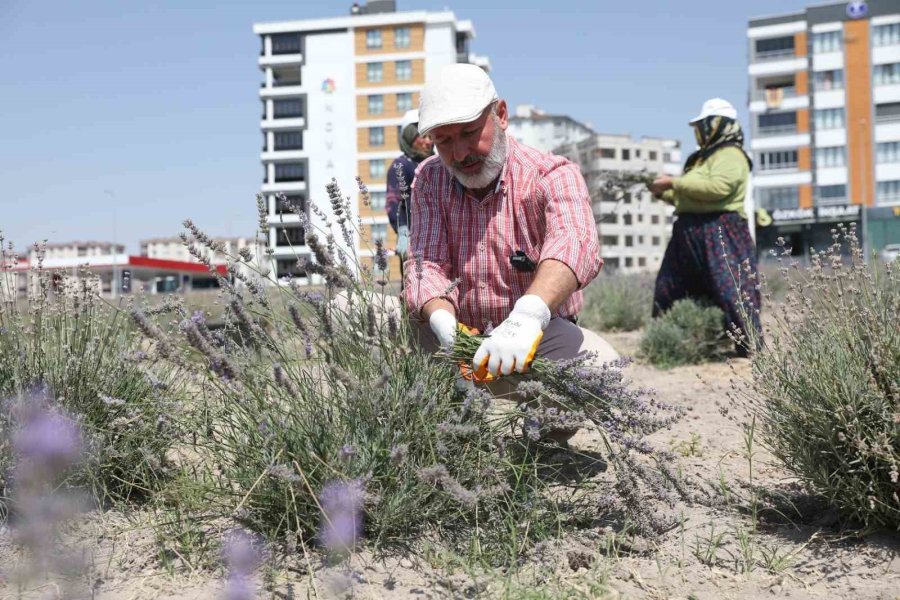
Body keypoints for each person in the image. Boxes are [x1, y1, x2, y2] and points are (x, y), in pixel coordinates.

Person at [402, 64, 619, 386]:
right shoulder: (429, 178)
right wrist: (444, 325)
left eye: (469, 133)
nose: (460, 154)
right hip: (460, 338)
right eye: (443, 141)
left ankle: (544, 433)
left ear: (500, 115)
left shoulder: (552, 174)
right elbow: (426, 263)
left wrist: (527, 317)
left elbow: (574, 242)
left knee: (605, 371)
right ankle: (434, 422)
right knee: (345, 310)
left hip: (535, 337)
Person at [648, 98, 762, 354]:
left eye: (702, 124)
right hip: (688, 231)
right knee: (669, 287)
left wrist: (673, 183)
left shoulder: (731, 155)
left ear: (717, 124)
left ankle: (748, 345)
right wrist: (659, 191)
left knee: (731, 288)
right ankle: (666, 344)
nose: (699, 131)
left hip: (721, 229)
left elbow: (719, 188)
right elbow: (687, 197)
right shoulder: (699, 159)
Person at [386, 110, 433, 251]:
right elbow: (394, 203)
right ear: (409, 137)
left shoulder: (439, 163)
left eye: (431, 136)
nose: (428, 142)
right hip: (416, 241)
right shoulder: (401, 165)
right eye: (423, 136)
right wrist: (403, 232)